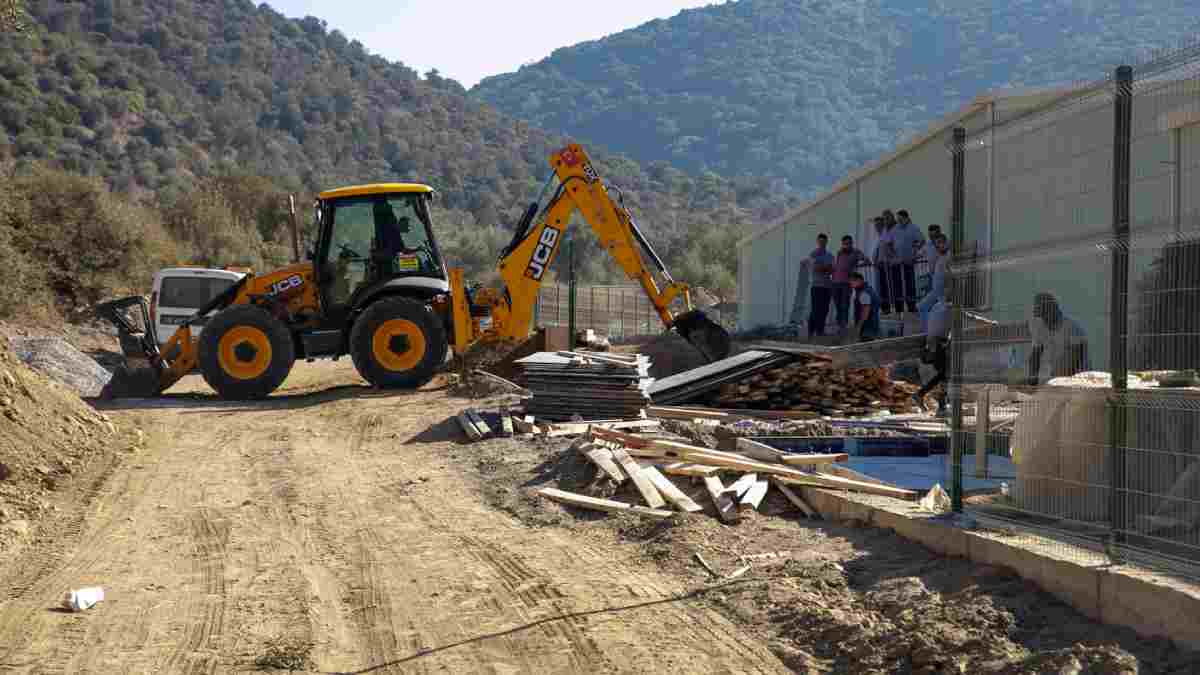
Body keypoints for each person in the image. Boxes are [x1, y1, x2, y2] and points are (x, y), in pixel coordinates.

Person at [1027, 293, 1090, 385]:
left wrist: (1050, 383)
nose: (1043, 319)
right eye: (1041, 316)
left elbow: (1071, 365)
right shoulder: (1041, 327)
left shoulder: (1073, 329)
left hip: (1078, 383)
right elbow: (1035, 356)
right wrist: (1032, 381)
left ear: (1055, 311)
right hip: (1055, 382)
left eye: (1045, 314)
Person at [914, 295, 950, 416]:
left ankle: (940, 405)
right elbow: (967, 317)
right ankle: (940, 406)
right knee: (945, 375)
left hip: (933, 345)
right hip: (940, 345)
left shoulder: (936, 306)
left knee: (943, 375)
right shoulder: (949, 308)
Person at [892, 209, 926, 313]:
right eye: (898, 220)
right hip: (897, 262)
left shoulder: (913, 228)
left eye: (901, 219)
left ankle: (911, 307)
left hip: (908, 261)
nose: (899, 221)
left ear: (906, 218)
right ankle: (899, 308)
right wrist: (892, 255)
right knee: (897, 285)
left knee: (910, 285)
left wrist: (915, 252)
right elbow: (888, 242)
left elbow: (922, 240)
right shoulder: (895, 228)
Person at [832, 235, 866, 334]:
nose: (847, 245)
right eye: (845, 244)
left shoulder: (856, 252)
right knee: (837, 304)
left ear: (852, 243)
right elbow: (836, 266)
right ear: (842, 244)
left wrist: (857, 266)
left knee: (845, 304)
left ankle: (843, 325)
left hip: (847, 283)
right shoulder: (839, 253)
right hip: (835, 282)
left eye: (849, 243)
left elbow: (866, 260)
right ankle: (839, 324)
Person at [917, 233, 949, 332]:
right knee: (921, 307)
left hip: (944, 293)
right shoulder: (940, 257)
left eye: (941, 242)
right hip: (936, 292)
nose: (939, 245)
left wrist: (948, 292)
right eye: (937, 244)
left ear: (946, 243)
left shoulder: (949, 257)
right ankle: (926, 332)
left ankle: (932, 333)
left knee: (940, 313)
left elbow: (951, 277)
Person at [806, 234, 835, 337]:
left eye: (824, 241)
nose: (822, 243)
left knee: (824, 309)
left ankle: (820, 331)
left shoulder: (830, 255)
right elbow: (816, 268)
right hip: (817, 286)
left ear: (826, 242)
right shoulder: (813, 254)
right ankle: (810, 331)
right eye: (820, 242)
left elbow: (832, 270)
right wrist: (825, 267)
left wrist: (823, 267)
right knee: (815, 309)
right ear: (817, 242)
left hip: (827, 286)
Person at [849, 271, 881, 342]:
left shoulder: (864, 293)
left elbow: (865, 313)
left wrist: (858, 327)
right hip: (870, 327)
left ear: (859, 280)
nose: (851, 284)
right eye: (850, 281)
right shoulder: (868, 290)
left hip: (867, 329)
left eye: (852, 281)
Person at [873, 216, 895, 314]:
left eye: (879, 225)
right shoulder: (878, 237)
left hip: (886, 265)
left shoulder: (887, 235)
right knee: (881, 288)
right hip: (879, 266)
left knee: (886, 287)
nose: (877, 227)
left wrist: (885, 260)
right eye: (876, 225)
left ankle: (888, 308)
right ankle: (884, 308)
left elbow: (890, 249)